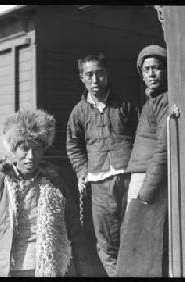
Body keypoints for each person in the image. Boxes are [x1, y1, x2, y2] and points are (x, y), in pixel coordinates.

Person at [0, 109, 89, 277]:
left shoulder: (56, 185)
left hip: (48, 269)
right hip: (7, 271)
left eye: (37, 149)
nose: (30, 156)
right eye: (24, 148)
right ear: (13, 150)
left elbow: (77, 237)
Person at [66, 53, 139, 277]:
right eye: (90, 75)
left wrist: (138, 168)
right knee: (106, 239)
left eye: (100, 73)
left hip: (128, 178)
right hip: (99, 184)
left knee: (133, 233)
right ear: (82, 78)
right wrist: (81, 171)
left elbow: (141, 135)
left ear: (106, 74)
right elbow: (73, 145)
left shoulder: (125, 103)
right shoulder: (79, 112)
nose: (95, 79)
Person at [117, 45, 169, 277]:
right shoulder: (152, 101)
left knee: (140, 240)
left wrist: (147, 189)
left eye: (157, 68)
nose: (151, 73)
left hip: (148, 179)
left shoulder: (164, 101)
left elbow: (163, 148)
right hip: (139, 176)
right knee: (135, 238)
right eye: (147, 69)